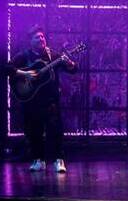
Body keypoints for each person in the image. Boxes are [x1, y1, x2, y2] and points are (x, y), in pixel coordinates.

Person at [7, 26, 77, 173]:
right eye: (37, 37)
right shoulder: (23, 56)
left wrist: (70, 64)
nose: (41, 39)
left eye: (42, 37)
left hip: (51, 101)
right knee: (34, 131)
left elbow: (73, 70)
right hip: (32, 101)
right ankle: (38, 160)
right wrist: (24, 74)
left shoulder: (53, 55)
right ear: (30, 41)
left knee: (55, 131)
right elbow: (7, 68)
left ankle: (58, 160)